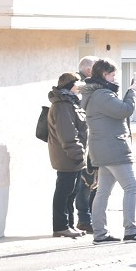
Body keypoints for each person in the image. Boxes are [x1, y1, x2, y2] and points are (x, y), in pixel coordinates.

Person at [82, 58, 136, 244]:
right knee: (131, 186)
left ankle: (100, 234)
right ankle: (131, 230)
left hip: (103, 149)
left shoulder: (95, 94)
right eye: (112, 75)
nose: (115, 79)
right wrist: (133, 92)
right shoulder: (102, 95)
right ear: (104, 75)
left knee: (103, 192)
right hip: (114, 148)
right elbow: (125, 110)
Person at [47, 72, 88, 237]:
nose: (80, 88)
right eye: (77, 85)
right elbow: (68, 134)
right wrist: (78, 154)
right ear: (70, 86)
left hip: (73, 156)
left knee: (71, 191)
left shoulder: (70, 103)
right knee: (64, 191)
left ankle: (69, 225)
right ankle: (61, 226)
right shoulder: (62, 106)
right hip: (68, 156)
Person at [73, 55, 98, 234]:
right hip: (84, 142)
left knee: (95, 182)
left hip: (93, 140)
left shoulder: (90, 85)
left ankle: (91, 218)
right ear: (89, 70)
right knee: (84, 182)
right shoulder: (78, 86)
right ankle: (84, 218)